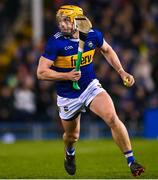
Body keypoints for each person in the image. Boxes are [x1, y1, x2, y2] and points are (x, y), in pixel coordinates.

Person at [37, 5, 145, 176]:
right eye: (61, 21)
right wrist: (66, 76)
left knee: (111, 116)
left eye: (66, 20)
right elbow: (41, 72)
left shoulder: (93, 35)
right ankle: (70, 153)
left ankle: (131, 160)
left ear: (77, 21)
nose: (62, 24)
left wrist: (121, 71)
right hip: (67, 96)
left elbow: (107, 50)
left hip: (90, 87)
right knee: (71, 137)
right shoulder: (55, 42)